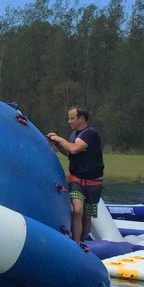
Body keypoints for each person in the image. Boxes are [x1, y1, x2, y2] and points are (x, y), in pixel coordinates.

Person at [46, 106, 104, 249]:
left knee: (87, 215)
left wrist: (60, 138)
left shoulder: (91, 133)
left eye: (72, 118)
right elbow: (70, 153)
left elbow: (74, 148)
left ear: (81, 119)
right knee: (77, 210)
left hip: (93, 181)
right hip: (76, 178)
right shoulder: (73, 135)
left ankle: (82, 242)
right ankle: (76, 243)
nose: (69, 121)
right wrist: (58, 144)